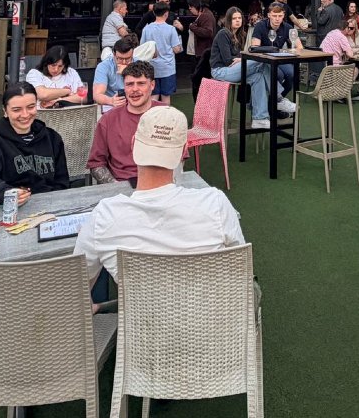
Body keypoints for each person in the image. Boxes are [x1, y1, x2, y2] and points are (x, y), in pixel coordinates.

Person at [74, 105, 245, 283]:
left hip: (141, 311)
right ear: (183, 150)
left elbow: (75, 290)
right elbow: (241, 273)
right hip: (212, 309)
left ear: (133, 143)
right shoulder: (215, 204)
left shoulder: (104, 216)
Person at [0, 82, 70, 204]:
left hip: (48, 205)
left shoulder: (52, 138)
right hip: (7, 209)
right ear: (5, 111)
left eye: (30, 107)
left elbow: (62, 182)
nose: (25, 115)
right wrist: (5, 193)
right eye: (16, 110)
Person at [211, 7, 288, 127]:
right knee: (261, 61)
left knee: (258, 77)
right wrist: (242, 59)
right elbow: (227, 60)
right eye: (234, 18)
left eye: (239, 18)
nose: (237, 21)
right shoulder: (223, 33)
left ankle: (260, 118)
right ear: (228, 20)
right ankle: (278, 98)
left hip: (234, 70)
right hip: (220, 71)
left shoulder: (241, 34)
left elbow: (238, 57)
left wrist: (241, 59)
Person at [88, 60, 156, 184]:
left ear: (152, 85)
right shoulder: (108, 120)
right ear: (123, 86)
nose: (135, 89)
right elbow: (96, 164)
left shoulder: (167, 115)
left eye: (141, 83)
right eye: (129, 84)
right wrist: (116, 186)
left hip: (160, 184)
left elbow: (179, 158)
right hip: (123, 183)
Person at [250, 3, 301, 99]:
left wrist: (288, 50)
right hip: (264, 60)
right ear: (269, 15)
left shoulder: (287, 27)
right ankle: (273, 104)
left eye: (280, 16)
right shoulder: (260, 26)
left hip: (280, 58)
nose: (277, 19)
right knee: (279, 75)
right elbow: (255, 48)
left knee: (292, 74)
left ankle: (276, 102)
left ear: (284, 15)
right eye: (274, 16)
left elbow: (299, 47)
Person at [140, 3, 182, 104]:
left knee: (153, 95)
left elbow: (143, 48)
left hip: (151, 68)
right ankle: (165, 119)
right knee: (166, 96)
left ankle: (153, 118)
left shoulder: (146, 29)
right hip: (167, 68)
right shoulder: (171, 29)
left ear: (154, 12)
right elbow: (177, 49)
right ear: (166, 14)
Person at [25, 46, 89, 108]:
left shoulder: (71, 72)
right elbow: (43, 94)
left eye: (60, 66)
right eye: (53, 65)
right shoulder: (34, 74)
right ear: (46, 63)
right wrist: (67, 91)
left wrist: (57, 101)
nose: (56, 69)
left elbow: (83, 98)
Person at [91, 37, 136, 109]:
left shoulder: (138, 63)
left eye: (127, 58)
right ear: (114, 55)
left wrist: (127, 73)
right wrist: (111, 101)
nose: (124, 62)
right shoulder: (104, 66)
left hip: (134, 101)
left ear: (132, 54)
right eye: (120, 58)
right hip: (112, 104)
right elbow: (97, 95)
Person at [187, 0, 217, 99]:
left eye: (191, 5)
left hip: (202, 56)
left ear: (197, 4)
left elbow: (208, 32)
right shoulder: (205, 14)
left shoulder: (206, 15)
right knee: (200, 85)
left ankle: (201, 112)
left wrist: (192, 27)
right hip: (201, 55)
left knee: (199, 86)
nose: (189, 8)